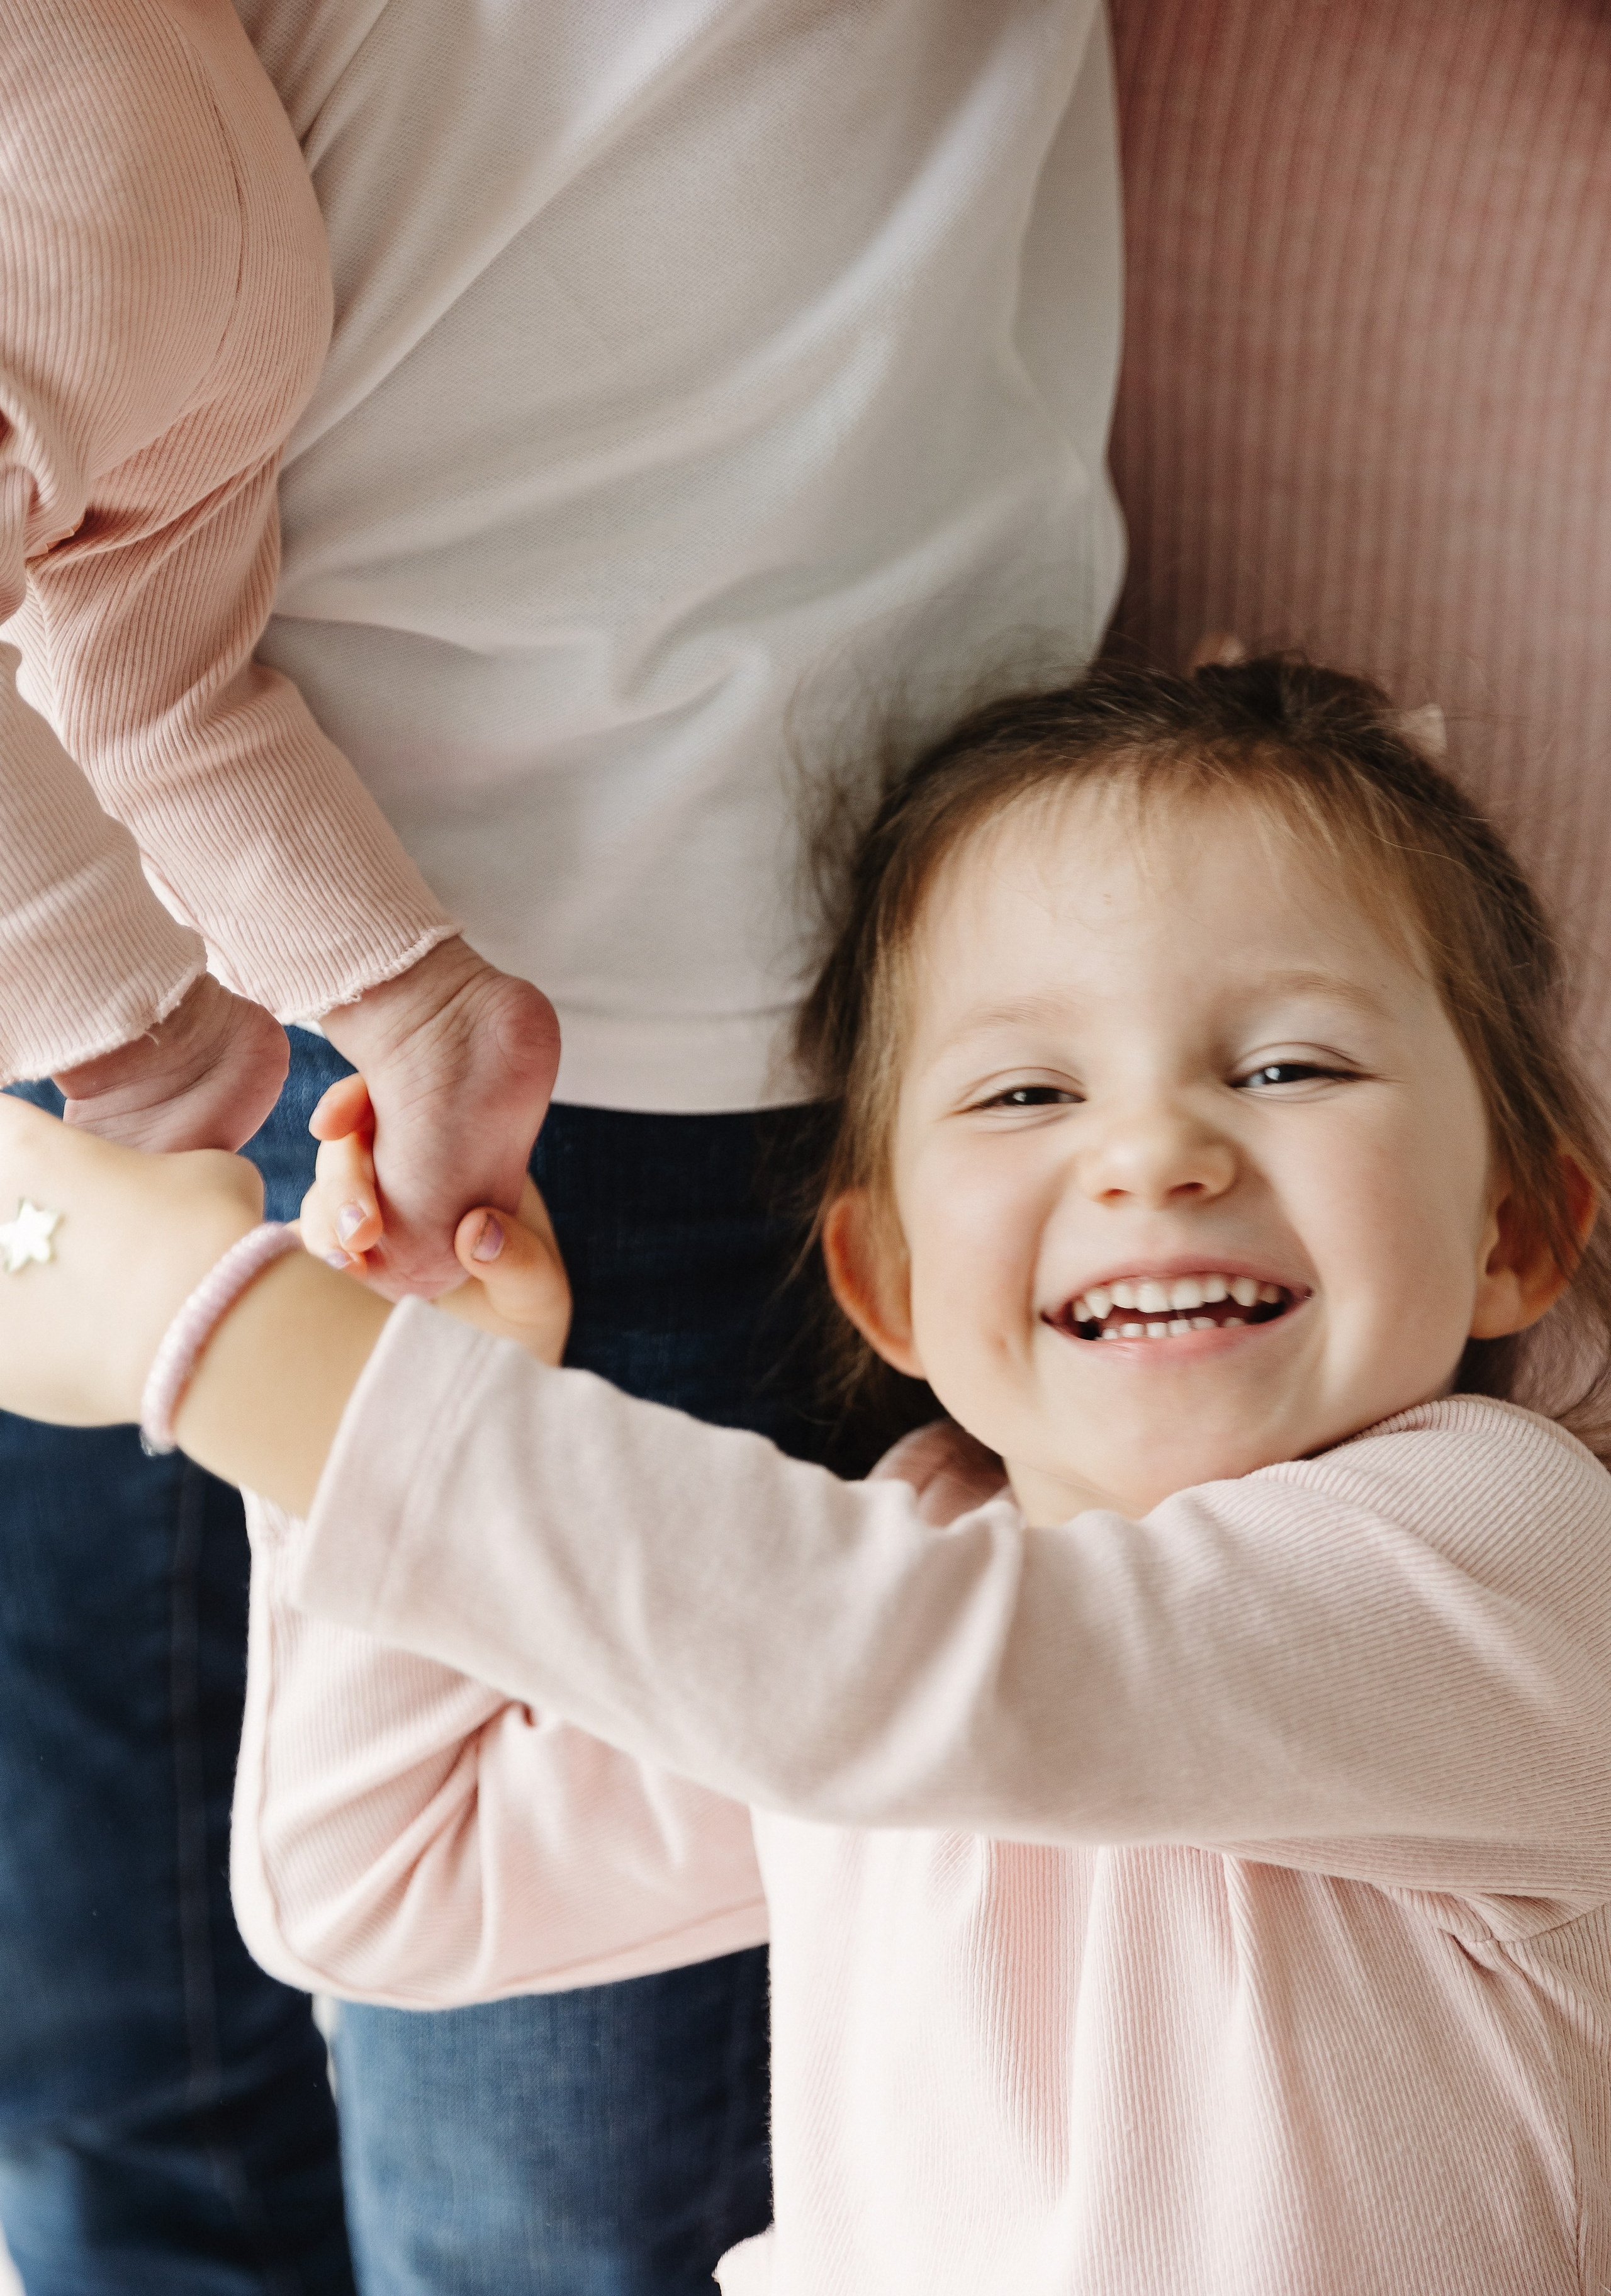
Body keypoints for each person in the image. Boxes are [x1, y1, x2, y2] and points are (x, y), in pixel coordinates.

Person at [6, 653, 1611, 2292]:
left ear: (1520, 1228)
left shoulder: (1507, 1560)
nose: (1153, 1155)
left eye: (1289, 1068)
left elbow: (903, 1667)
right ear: (888, 1283)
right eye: (1027, 1092)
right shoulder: (908, 1541)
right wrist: (443, 1354)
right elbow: (386, 1882)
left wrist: (205, 1331)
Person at [3, 1, 1125, 2283]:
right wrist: (114, 986)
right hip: (108, 945)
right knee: (118, 2095)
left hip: (704, 1012)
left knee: (542, 2208)